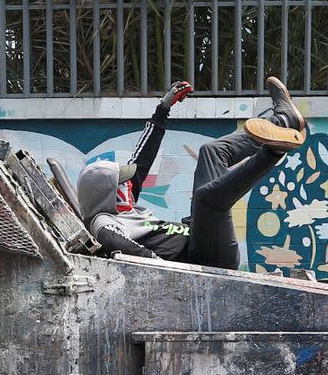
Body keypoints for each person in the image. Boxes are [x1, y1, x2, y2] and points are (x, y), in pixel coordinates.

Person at [76, 77, 305, 270]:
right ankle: (274, 151)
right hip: (205, 259)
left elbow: (141, 159)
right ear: (106, 195)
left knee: (212, 152)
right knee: (206, 200)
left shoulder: (123, 202)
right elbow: (118, 245)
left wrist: (162, 109)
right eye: (122, 184)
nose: (129, 185)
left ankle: (284, 120)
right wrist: (169, 270)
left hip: (198, 232)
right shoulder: (104, 221)